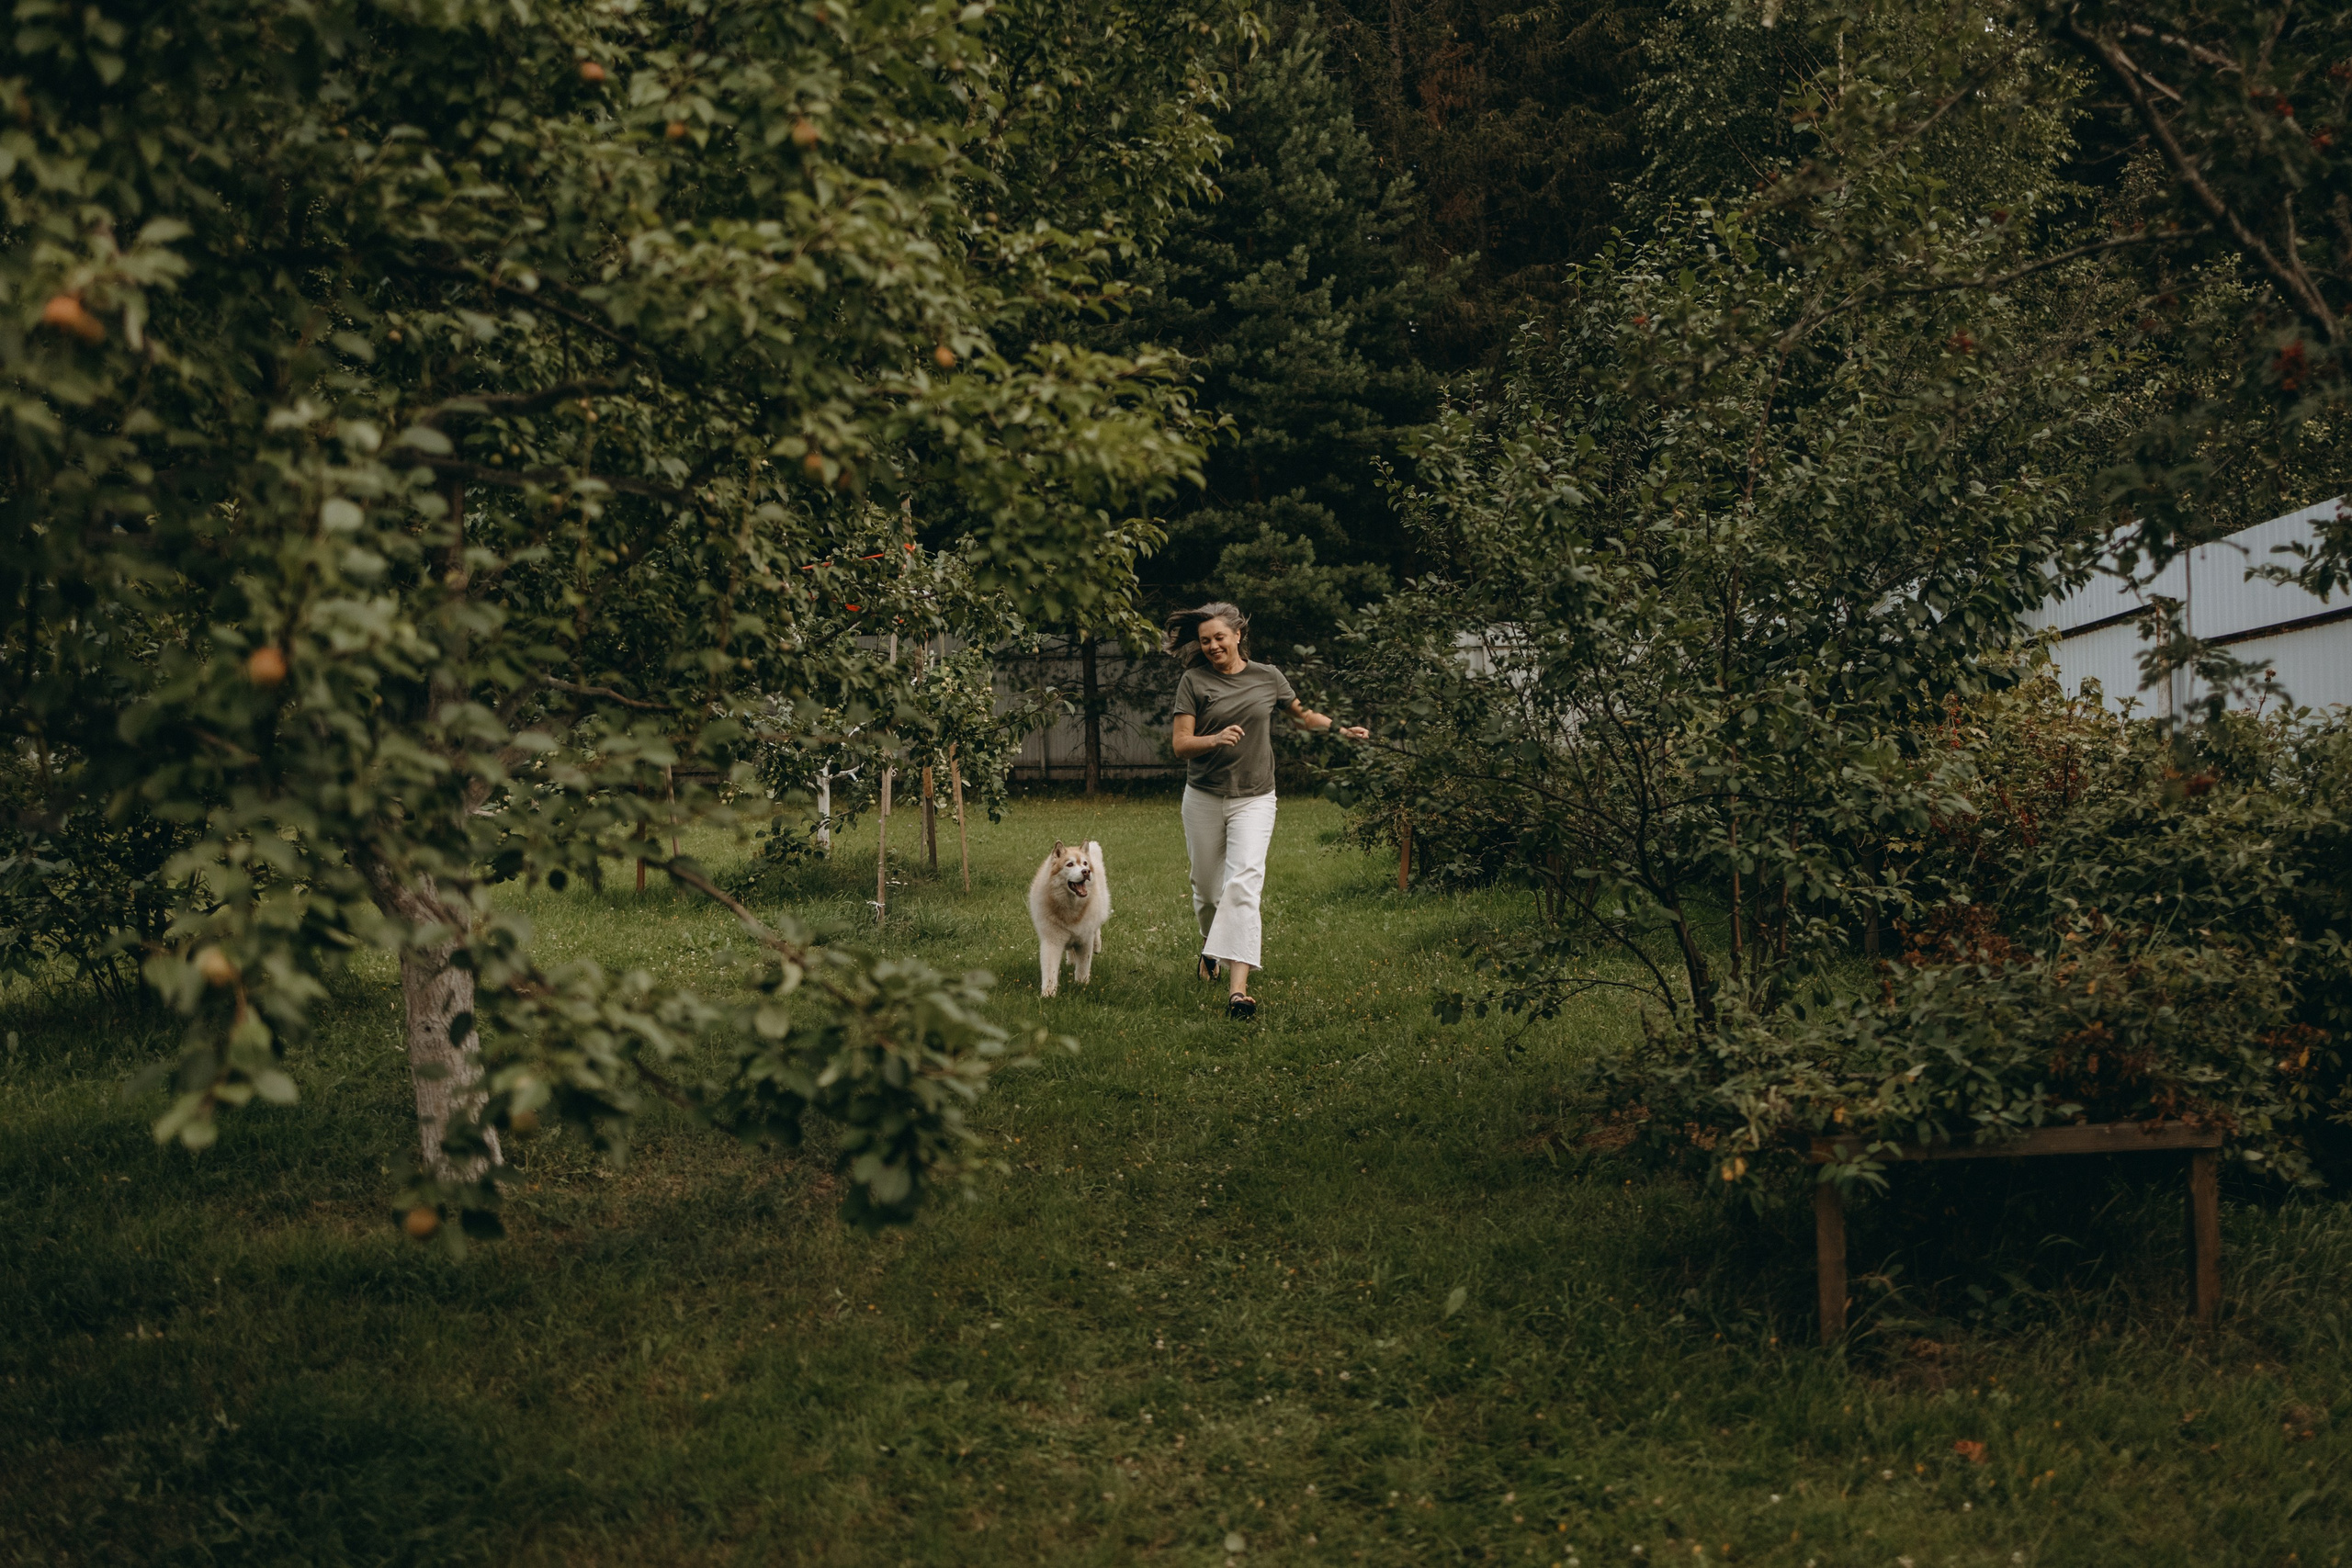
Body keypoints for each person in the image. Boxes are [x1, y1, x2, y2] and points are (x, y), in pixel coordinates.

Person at [1164, 601, 1368, 1019]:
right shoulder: (1193, 680)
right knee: (1206, 891)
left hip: (1255, 797)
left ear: (1238, 635)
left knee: (1243, 886)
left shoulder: (1267, 676)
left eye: (1219, 637)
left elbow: (1303, 715)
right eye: (1205, 641)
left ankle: (1238, 991)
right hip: (1203, 796)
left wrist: (1342, 730)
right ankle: (1210, 948)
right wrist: (1214, 738)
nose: (1212, 646)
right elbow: (1181, 745)